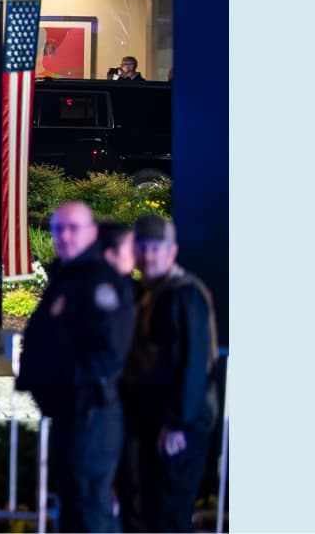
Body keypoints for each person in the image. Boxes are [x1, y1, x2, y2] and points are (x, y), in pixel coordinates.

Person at [16, 201, 136, 533]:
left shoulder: (99, 282)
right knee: (74, 506)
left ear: (92, 233)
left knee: (88, 507)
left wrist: (62, 384)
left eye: (73, 228)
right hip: (73, 412)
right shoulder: (71, 277)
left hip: (90, 411)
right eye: (58, 228)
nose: (64, 236)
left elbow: (109, 351)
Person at [119, 215, 220, 534]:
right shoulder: (153, 293)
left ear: (172, 251)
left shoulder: (184, 294)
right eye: (143, 247)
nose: (148, 255)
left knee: (169, 517)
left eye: (156, 248)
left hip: (179, 430)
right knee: (153, 513)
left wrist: (178, 423)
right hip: (159, 424)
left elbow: (194, 362)